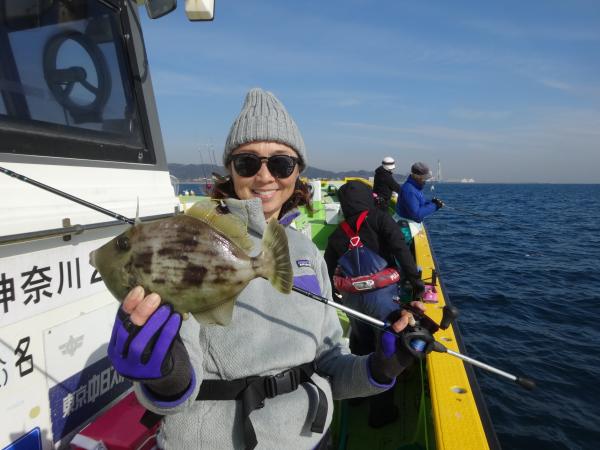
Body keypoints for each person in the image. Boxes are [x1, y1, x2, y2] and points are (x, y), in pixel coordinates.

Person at [107, 88, 420, 449]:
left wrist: (379, 367)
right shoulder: (192, 245)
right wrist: (165, 374)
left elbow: (330, 363)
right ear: (231, 169)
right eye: (247, 163)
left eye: (281, 164)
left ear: (297, 170)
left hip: (313, 439)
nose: (265, 176)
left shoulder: (306, 251)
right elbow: (181, 378)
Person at [324, 180, 425, 427]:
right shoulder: (380, 219)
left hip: (352, 301)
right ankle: (381, 413)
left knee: (360, 343)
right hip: (382, 299)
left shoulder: (338, 234)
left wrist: (335, 296)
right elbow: (401, 250)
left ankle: (356, 397)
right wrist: (416, 283)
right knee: (386, 353)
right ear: (367, 198)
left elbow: (328, 268)